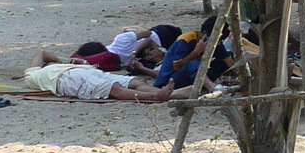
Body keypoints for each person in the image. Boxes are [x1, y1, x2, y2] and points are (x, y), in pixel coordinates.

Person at [22, 50, 196, 101]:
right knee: (114, 89)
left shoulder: (62, 64)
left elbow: (46, 54)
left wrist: (65, 60)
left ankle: (168, 94)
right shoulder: (34, 75)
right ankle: (155, 95)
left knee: (134, 81)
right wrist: (62, 63)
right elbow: (41, 53)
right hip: (67, 79)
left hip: (88, 71)